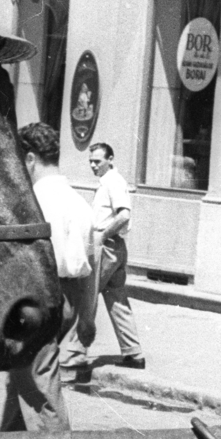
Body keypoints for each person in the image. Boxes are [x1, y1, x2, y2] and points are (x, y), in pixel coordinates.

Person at [1, 121, 95, 439]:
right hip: (67, 299)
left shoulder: (30, 203)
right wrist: (88, 318)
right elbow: (90, 267)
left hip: (35, 300)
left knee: (38, 382)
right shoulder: (80, 203)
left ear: (28, 159)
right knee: (23, 377)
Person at [84, 141, 144, 368]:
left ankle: (74, 356)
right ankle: (133, 353)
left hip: (106, 246)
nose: (93, 165)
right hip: (114, 246)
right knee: (116, 298)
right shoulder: (107, 182)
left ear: (110, 160)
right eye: (90, 161)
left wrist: (101, 237)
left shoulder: (113, 182)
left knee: (86, 298)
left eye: (97, 161)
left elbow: (124, 215)